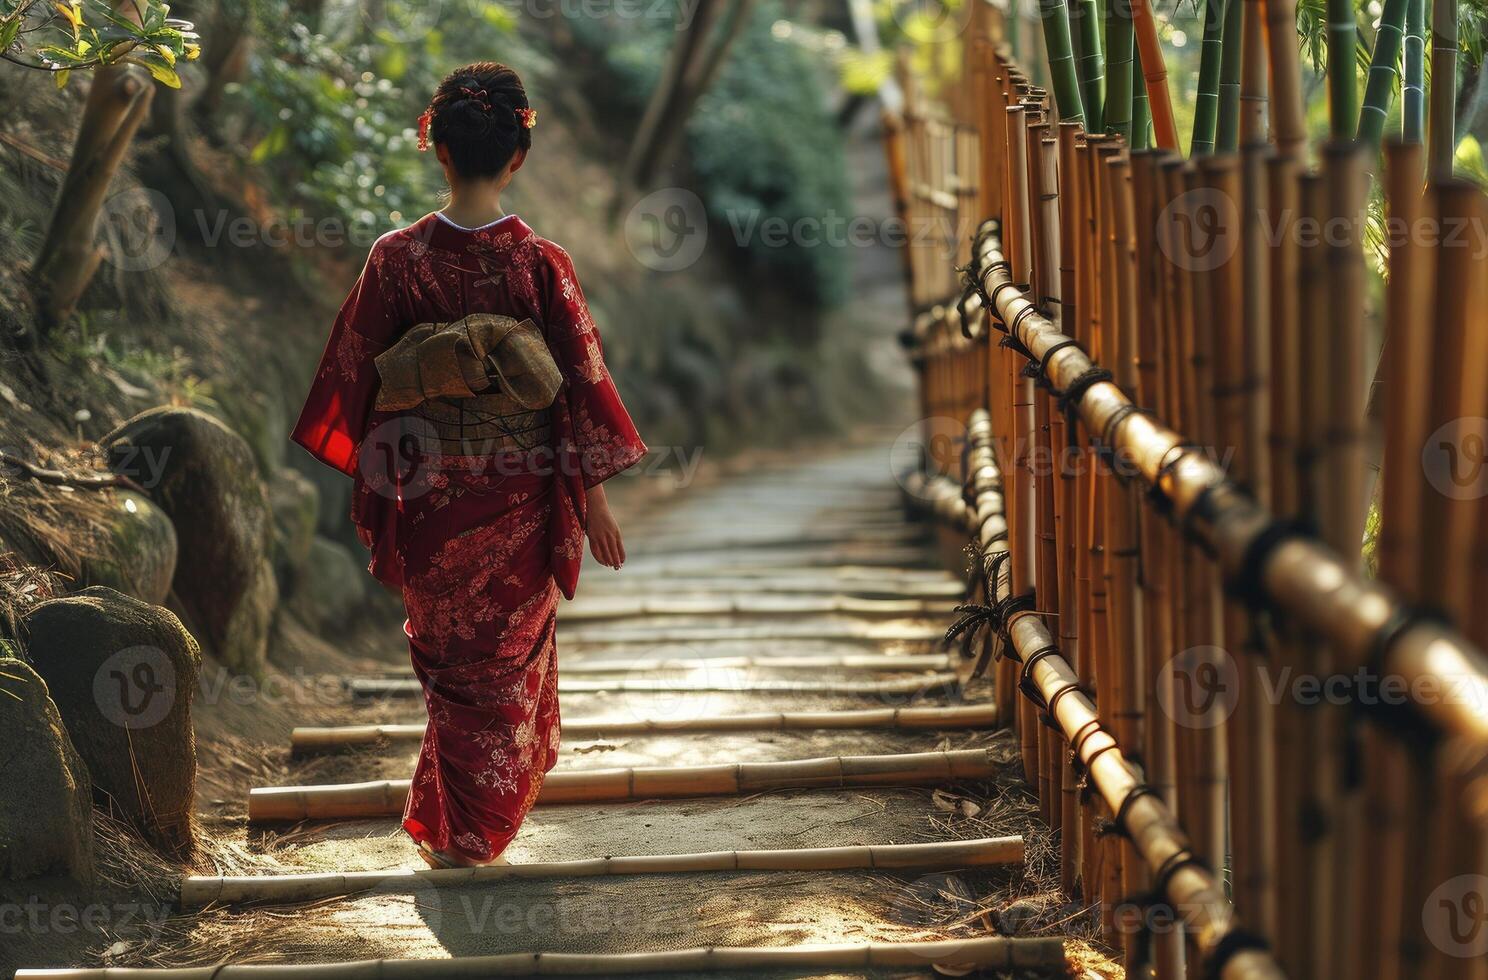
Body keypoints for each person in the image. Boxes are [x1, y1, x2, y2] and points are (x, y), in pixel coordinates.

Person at [291, 62, 647, 868]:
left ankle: (457, 827)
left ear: (438, 151)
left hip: (429, 496)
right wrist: (592, 503)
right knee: (499, 669)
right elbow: (579, 388)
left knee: (455, 667)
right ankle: (469, 829)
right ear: (516, 155)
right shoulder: (539, 263)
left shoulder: (396, 259)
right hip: (521, 496)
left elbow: (353, 372)